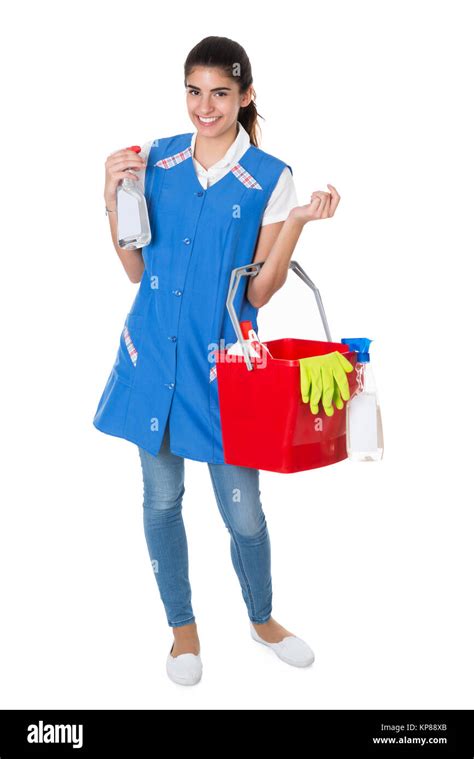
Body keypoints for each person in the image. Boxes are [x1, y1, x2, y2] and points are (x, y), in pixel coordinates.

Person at [94, 35, 340, 686]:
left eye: (221, 93)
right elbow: (133, 268)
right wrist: (107, 195)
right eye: (195, 91)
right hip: (153, 360)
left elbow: (259, 292)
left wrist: (297, 224)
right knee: (161, 499)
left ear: (246, 96)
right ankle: (183, 632)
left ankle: (262, 620)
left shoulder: (270, 177)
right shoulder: (154, 159)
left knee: (243, 513)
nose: (206, 106)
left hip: (227, 371)